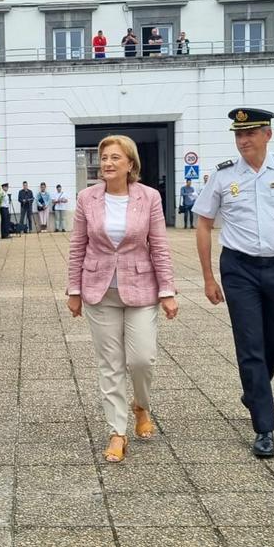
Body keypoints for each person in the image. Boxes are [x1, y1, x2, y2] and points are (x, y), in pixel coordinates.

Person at [192, 108, 274, 459]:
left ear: (268, 134)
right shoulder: (222, 176)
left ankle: (254, 391)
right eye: (238, 134)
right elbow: (203, 225)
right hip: (238, 269)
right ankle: (264, 426)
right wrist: (208, 277)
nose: (243, 140)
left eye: (250, 133)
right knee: (250, 345)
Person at [67, 135, 179, 463]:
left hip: (142, 289)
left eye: (115, 157)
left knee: (142, 359)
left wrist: (167, 291)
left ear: (130, 164)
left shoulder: (150, 198)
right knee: (110, 364)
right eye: (104, 157)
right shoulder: (87, 198)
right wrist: (74, 290)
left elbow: (159, 245)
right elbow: (77, 246)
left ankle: (141, 404)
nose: (107, 163)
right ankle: (117, 431)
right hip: (99, 291)